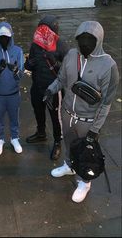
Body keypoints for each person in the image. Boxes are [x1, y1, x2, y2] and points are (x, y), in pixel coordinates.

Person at [44, 21, 119, 203]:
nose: (85, 43)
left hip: (88, 120)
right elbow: (61, 78)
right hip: (68, 113)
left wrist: (96, 128)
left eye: (90, 39)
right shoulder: (71, 55)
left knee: (86, 153)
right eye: (81, 39)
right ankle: (69, 165)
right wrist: (51, 89)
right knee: (70, 145)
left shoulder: (109, 66)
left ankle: (85, 182)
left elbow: (107, 102)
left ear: (99, 40)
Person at [24, 15, 69, 160]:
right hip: (37, 86)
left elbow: (69, 69)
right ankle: (41, 133)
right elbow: (29, 64)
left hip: (54, 90)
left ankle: (57, 141)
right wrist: (29, 64)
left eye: (46, 29)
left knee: (55, 117)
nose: (43, 32)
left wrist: (55, 63)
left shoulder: (61, 45)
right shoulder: (36, 44)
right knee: (38, 111)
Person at [0, 22, 24, 155]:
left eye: (6, 37)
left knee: (14, 117)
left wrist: (16, 71)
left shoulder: (18, 51)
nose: (4, 39)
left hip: (13, 93)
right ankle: (0, 139)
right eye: (1, 37)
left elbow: (21, 75)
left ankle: (14, 138)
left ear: (11, 36)